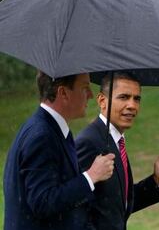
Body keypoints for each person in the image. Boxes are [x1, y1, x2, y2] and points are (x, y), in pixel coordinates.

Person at [3, 72, 116, 230]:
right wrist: (91, 176)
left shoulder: (50, 129)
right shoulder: (42, 135)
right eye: (85, 88)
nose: (91, 95)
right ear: (63, 93)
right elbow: (43, 202)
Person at [75, 72, 159, 230]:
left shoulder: (116, 140)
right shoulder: (88, 143)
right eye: (124, 97)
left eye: (137, 99)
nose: (132, 105)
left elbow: (116, 205)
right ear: (102, 101)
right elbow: (74, 211)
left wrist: (156, 181)